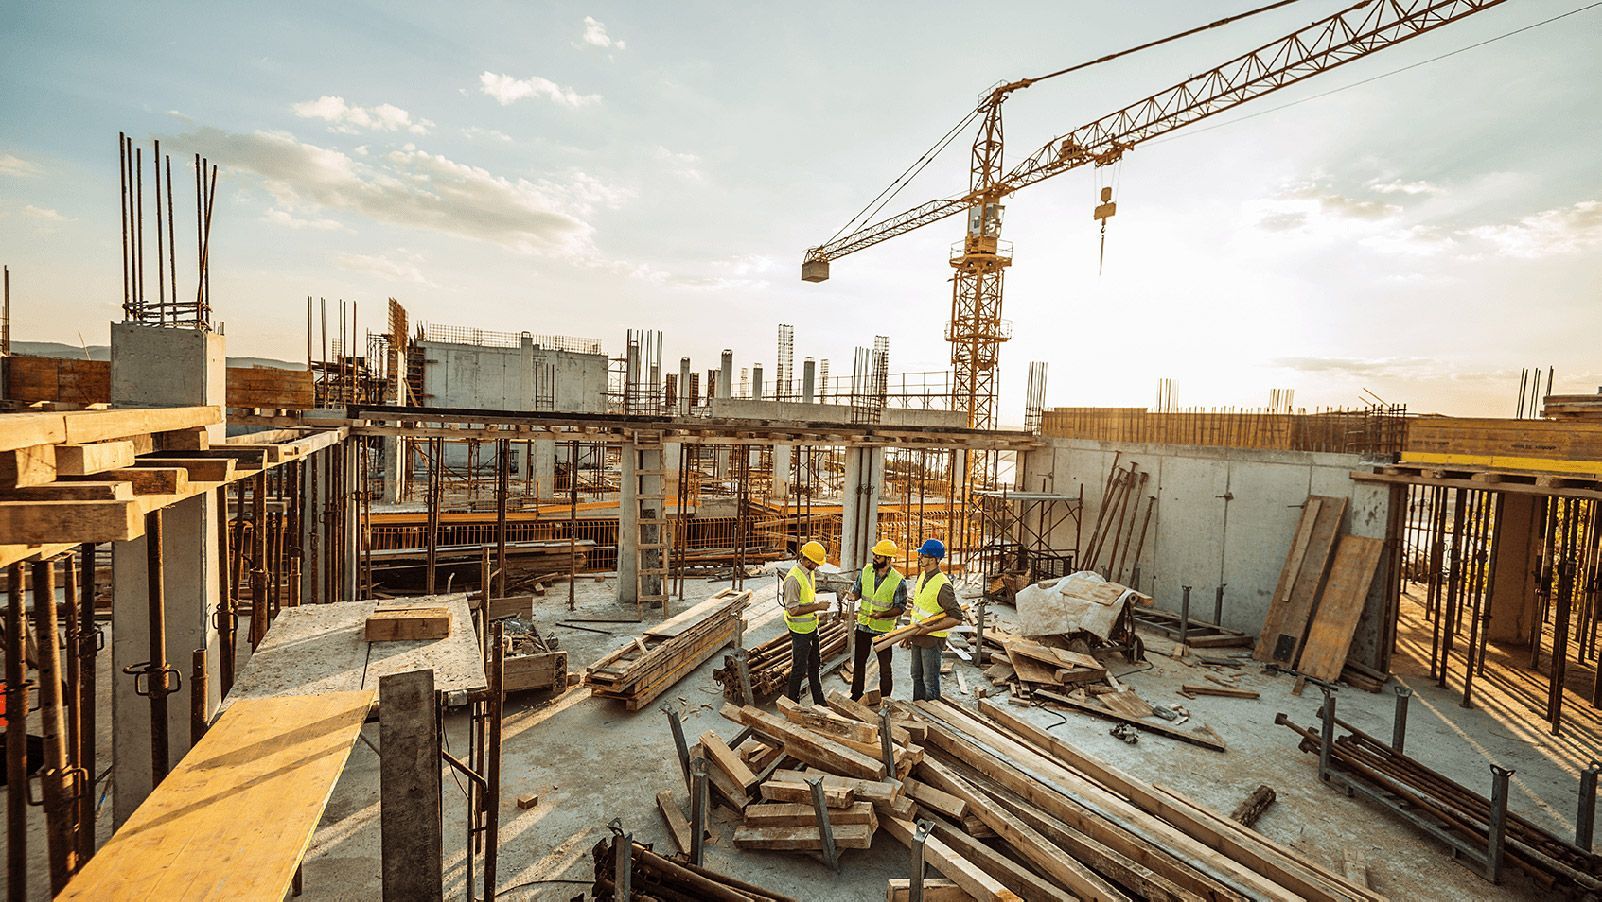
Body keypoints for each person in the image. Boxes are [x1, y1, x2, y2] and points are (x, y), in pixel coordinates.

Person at [844, 538, 907, 702]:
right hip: (864, 625)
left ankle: (886, 698)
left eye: (878, 556)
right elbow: (857, 590)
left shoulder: (898, 581)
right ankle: (856, 693)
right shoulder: (866, 571)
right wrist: (853, 596)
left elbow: (900, 607)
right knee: (859, 663)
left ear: (888, 559)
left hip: (883, 630)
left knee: (885, 667)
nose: (874, 558)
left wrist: (882, 614)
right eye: (874, 555)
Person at [904, 538, 963, 702]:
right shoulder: (923, 576)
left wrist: (929, 629)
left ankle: (932, 716)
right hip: (917, 635)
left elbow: (957, 617)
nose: (920, 557)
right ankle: (918, 708)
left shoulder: (943, 585)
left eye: (922, 555)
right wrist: (910, 633)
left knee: (930, 681)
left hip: (931, 638)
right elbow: (918, 609)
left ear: (932, 559)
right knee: (916, 676)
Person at [782, 540, 832, 704]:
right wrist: (818, 606)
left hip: (811, 626)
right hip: (799, 631)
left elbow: (807, 599)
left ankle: (819, 700)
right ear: (808, 560)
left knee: (814, 664)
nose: (817, 567)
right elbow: (793, 610)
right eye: (816, 563)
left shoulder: (808, 572)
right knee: (799, 668)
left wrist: (817, 608)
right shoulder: (793, 580)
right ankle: (792, 702)